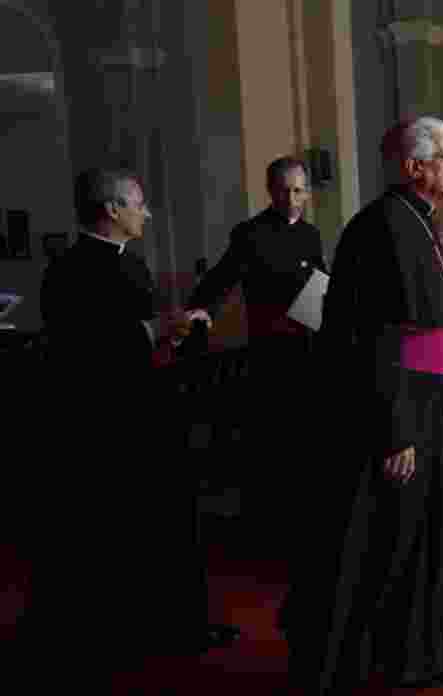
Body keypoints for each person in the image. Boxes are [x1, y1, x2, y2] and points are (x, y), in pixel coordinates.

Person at [284, 116, 443, 692]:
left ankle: (429, 651)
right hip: (400, 410)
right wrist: (396, 429)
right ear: (414, 167)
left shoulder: (419, 221)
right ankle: (393, 658)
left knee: (429, 536)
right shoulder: (382, 227)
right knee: (394, 541)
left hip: (426, 402)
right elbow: (373, 337)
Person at [26, 168, 234, 688]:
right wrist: (156, 328)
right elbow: (82, 350)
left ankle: (176, 624)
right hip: (108, 428)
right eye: (138, 203)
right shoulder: (71, 270)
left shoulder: (129, 262)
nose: (147, 212)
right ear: (112, 209)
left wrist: (176, 330)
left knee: (165, 525)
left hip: (149, 414)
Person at [186, 156, 327, 545]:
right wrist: (199, 308)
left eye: (298, 191)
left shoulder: (311, 234)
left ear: (307, 192)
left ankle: (304, 523)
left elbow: (320, 282)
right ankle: (268, 527)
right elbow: (221, 276)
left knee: (306, 440)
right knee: (270, 441)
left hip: (308, 350)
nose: (291, 199)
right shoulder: (250, 233)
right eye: (284, 190)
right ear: (270, 191)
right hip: (269, 351)